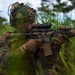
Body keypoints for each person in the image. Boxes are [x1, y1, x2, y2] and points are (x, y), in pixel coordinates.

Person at [0, 2, 69, 75]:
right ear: (17, 23)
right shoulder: (6, 38)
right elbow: (3, 62)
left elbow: (47, 64)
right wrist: (25, 48)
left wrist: (56, 45)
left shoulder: (36, 37)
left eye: (33, 21)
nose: (32, 25)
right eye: (28, 22)